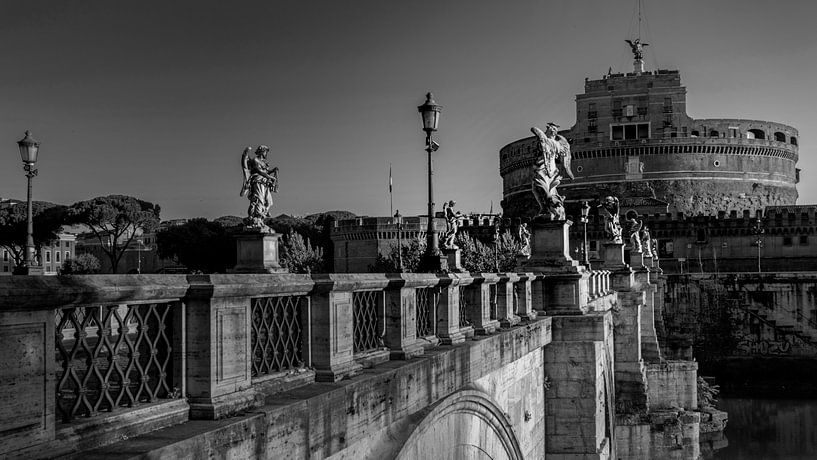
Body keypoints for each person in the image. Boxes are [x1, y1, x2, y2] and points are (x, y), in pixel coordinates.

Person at [530, 123, 573, 220]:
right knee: (537, 188)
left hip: (547, 168)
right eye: (549, 129)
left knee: (539, 186)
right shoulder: (554, 142)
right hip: (544, 166)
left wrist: (540, 135)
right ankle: (546, 208)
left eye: (552, 129)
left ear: (554, 132)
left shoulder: (553, 142)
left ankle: (547, 209)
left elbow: (534, 129)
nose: (549, 130)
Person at [240, 145, 278, 230]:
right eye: (265, 152)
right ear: (261, 152)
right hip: (258, 181)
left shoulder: (264, 162)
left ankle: (262, 216)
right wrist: (271, 177)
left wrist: (273, 170)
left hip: (265, 183)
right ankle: (257, 218)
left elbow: (265, 172)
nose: (266, 154)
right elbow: (259, 171)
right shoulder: (255, 160)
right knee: (259, 200)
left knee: (269, 202)